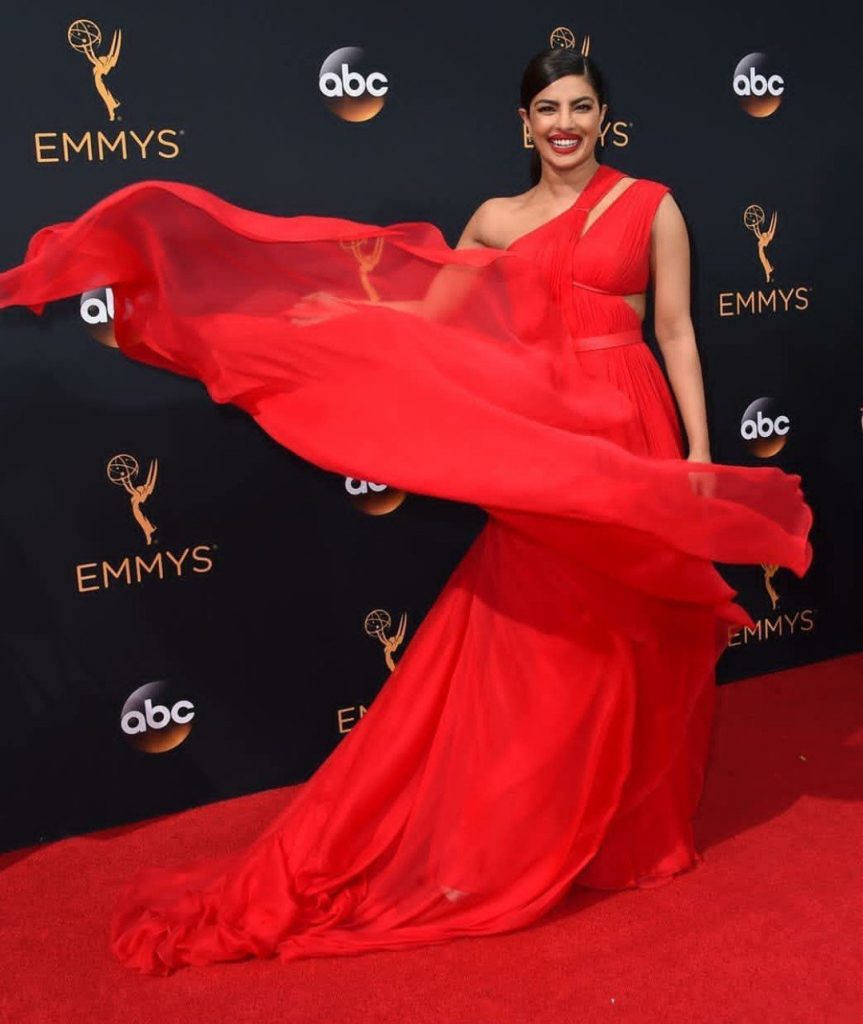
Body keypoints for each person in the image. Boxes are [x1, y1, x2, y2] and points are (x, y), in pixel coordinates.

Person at [0, 49, 811, 975]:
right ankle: (524, 829)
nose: (564, 124)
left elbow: (674, 329)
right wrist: (338, 321)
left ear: (602, 117)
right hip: (546, 439)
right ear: (523, 122)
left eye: (580, 106)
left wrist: (699, 454)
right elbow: (435, 315)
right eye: (548, 108)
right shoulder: (494, 219)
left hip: (633, 424)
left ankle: (629, 833)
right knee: (549, 635)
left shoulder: (651, 204)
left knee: (637, 629)